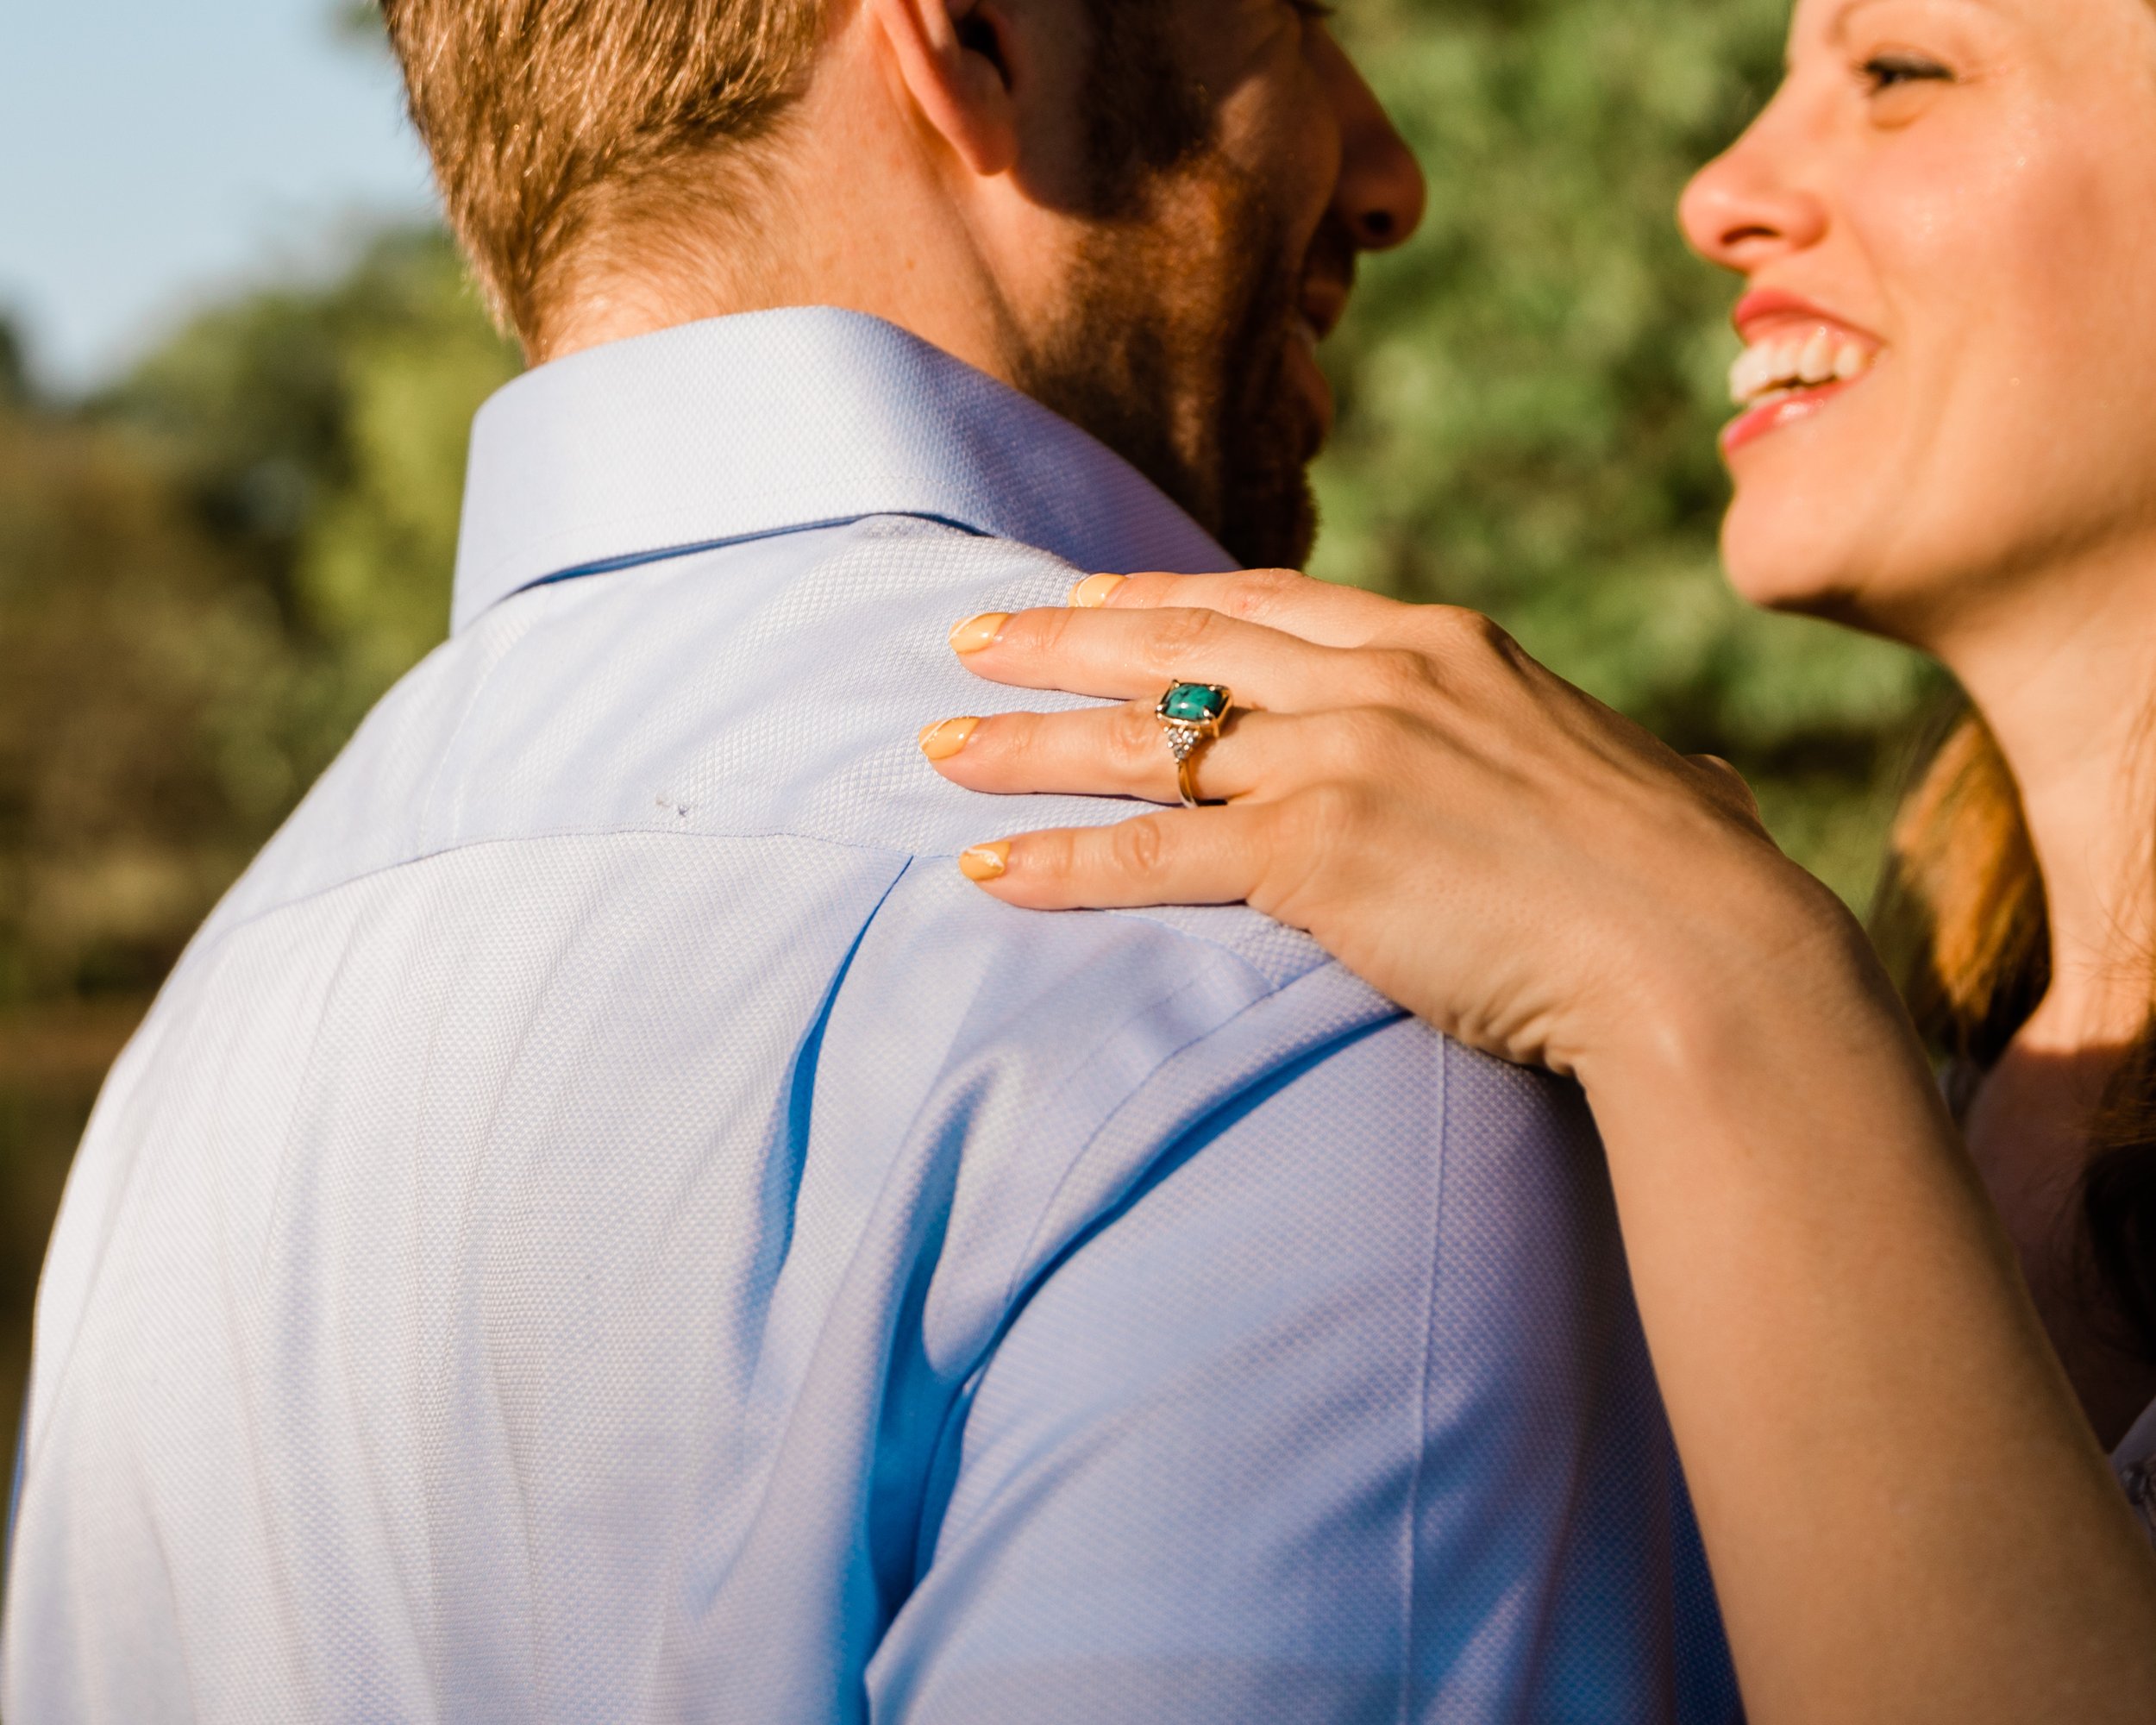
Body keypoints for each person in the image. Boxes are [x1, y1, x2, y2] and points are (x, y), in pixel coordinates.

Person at [1, 2, 1744, 1720]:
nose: (1386, 173)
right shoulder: (1287, 984)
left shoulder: (216, 1019)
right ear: (967, 38)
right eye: (1292, 20)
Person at [920, 0, 2156, 1718]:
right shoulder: (1961, 1055)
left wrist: (1722, 977)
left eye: (1896, 73)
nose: (1717, 191)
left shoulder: (1764, 1002)